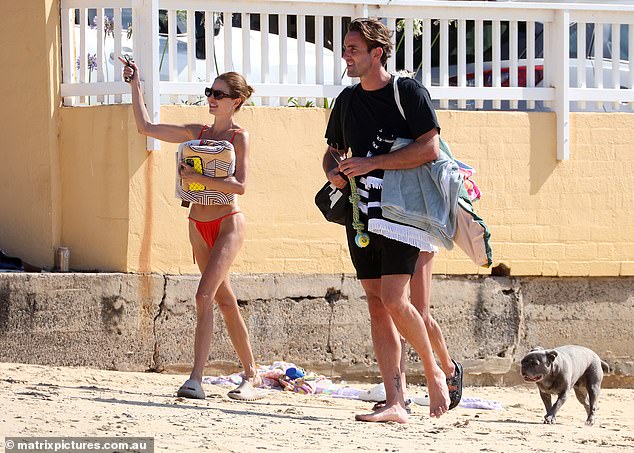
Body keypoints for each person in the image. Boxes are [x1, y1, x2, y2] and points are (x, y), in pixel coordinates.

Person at [323, 18, 453, 423]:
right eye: (344, 48)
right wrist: (333, 170)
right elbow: (333, 150)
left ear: (377, 52)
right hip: (360, 213)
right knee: (378, 307)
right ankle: (396, 402)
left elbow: (429, 149)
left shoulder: (407, 92)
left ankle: (433, 372)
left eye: (353, 49)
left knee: (397, 299)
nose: (346, 55)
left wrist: (372, 162)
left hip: (403, 212)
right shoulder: (346, 100)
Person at [120, 57, 263, 401]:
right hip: (197, 225)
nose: (211, 98)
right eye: (209, 92)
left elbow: (240, 185)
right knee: (225, 301)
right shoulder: (197, 132)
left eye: (219, 93)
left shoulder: (239, 137)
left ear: (236, 102)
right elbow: (147, 127)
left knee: (203, 296)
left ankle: (195, 379)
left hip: (228, 224)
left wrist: (199, 177)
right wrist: (135, 85)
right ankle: (252, 375)